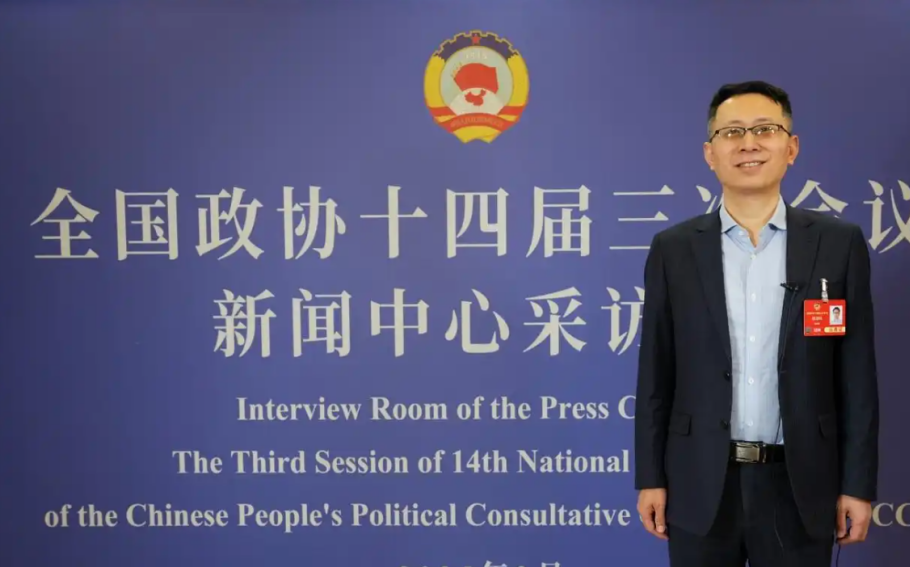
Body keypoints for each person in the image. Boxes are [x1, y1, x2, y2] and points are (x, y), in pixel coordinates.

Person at [633, 81, 879, 567]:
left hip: (801, 483)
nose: (749, 143)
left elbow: (857, 377)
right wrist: (651, 477)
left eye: (765, 130)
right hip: (700, 481)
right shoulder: (674, 249)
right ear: (710, 153)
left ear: (792, 147)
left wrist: (857, 484)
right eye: (732, 132)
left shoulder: (837, 243)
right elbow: (655, 375)